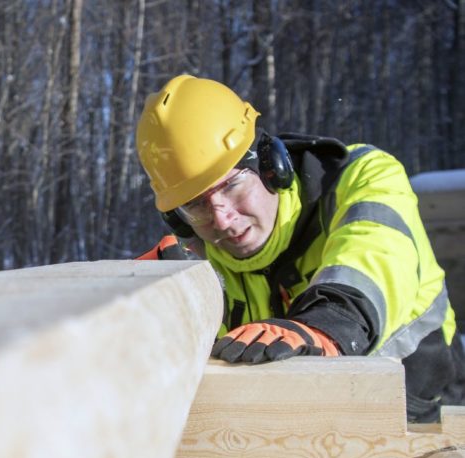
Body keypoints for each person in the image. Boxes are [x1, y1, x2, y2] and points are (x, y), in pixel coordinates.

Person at [135, 74, 465, 423]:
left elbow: (374, 258)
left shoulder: (362, 178)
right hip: (299, 441)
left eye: (231, 186)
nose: (223, 219)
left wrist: (326, 326)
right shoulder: (195, 262)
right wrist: (145, 307)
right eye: (197, 205)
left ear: (269, 165)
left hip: (423, 422)